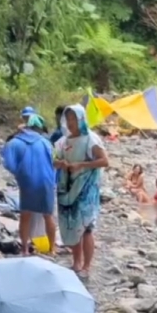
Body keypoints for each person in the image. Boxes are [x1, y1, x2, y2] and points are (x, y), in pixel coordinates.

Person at [53, 104, 109, 280]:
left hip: (86, 190)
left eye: (73, 119)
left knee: (85, 228)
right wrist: (60, 163)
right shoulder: (64, 140)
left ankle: (86, 266)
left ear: (81, 119)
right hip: (68, 188)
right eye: (67, 119)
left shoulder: (91, 139)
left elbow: (104, 161)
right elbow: (54, 160)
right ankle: (76, 262)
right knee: (72, 226)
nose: (70, 123)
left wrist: (82, 165)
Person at [1, 114, 57, 256]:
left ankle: (24, 249)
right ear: (38, 128)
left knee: (25, 215)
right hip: (46, 181)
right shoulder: (45, 142)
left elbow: (8, 163)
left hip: (27, 182)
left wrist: (20, 172)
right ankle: (52, 249)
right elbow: (55, 162)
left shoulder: (14, 142)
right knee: (48, 215)